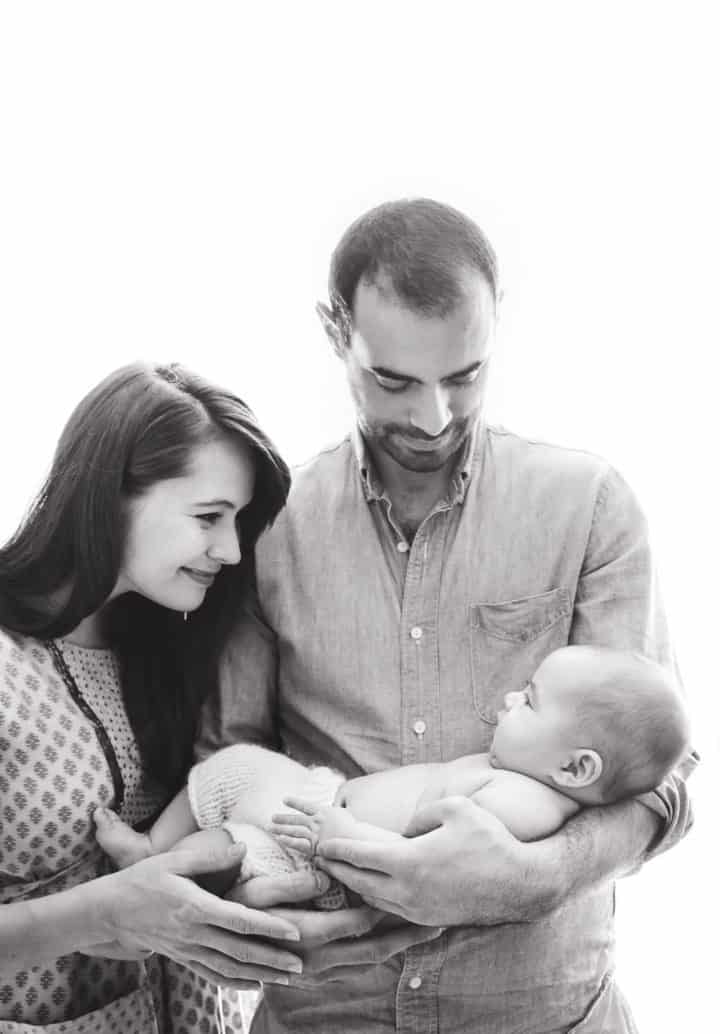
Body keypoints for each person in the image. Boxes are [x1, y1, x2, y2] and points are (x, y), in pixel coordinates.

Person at [196, 198, 697, 1034]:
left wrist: (534, 879)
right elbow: (229, 759)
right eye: (393, 380)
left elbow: (663, 783)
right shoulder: (266, 525)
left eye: (464, 375)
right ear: (335, 331)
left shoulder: (590, 507)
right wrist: (274, 920)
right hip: (323, 1015)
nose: (433, 418)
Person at [0, 361, 363, 1033]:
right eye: (208, 517)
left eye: (240, 522)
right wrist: (107, 910)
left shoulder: (170, 655)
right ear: (109, 497)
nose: (230, 549)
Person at [94, 645, 691, 905]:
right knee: (231, 766)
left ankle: (153, 869)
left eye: (530, 701)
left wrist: (335, 834)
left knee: (230, 850)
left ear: (576, 766)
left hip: (325, 856)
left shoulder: (526, 805)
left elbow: (422, 858)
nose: (511, 698)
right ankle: (152, 845)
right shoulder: (515, 772)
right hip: (323, 801)